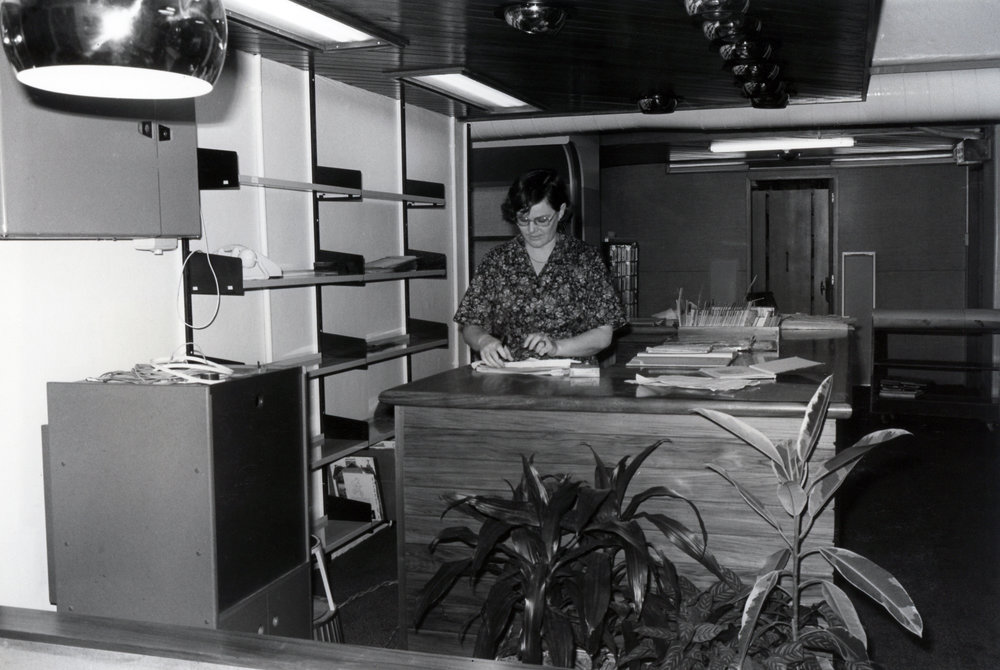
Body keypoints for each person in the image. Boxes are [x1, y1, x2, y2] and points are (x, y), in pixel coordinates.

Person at [454, 168, 627, 367]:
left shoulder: (585, 259)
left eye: (542, 220)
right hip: (512, 377)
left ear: (561, 211)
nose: (532, 229)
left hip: (573, 377)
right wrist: (484, 341)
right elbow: (471, 324)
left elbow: (603, 335)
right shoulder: (497, 261)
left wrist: (557, 347)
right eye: (523, 220)